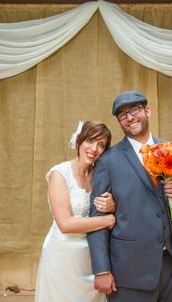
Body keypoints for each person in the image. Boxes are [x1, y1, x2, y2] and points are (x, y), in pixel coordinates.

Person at [87, 90, 172, 302]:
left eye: (135, 110)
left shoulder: (170, 149)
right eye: (122, 115)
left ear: (147, 111)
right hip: (130, 269)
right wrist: (101, 269)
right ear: (119, 121)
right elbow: (96, 220)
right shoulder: (108, 161)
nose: (129, 117)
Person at [35, 121, 117, 302]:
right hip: (62, 257)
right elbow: (65, 224)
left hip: (91, 258)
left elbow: (116, 205)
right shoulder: (60, 173)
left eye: (101, 145)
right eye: (90, 141)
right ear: (79, 141)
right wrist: (108, 220)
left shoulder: (101, 175)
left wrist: (113, 205)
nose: (94, 149)